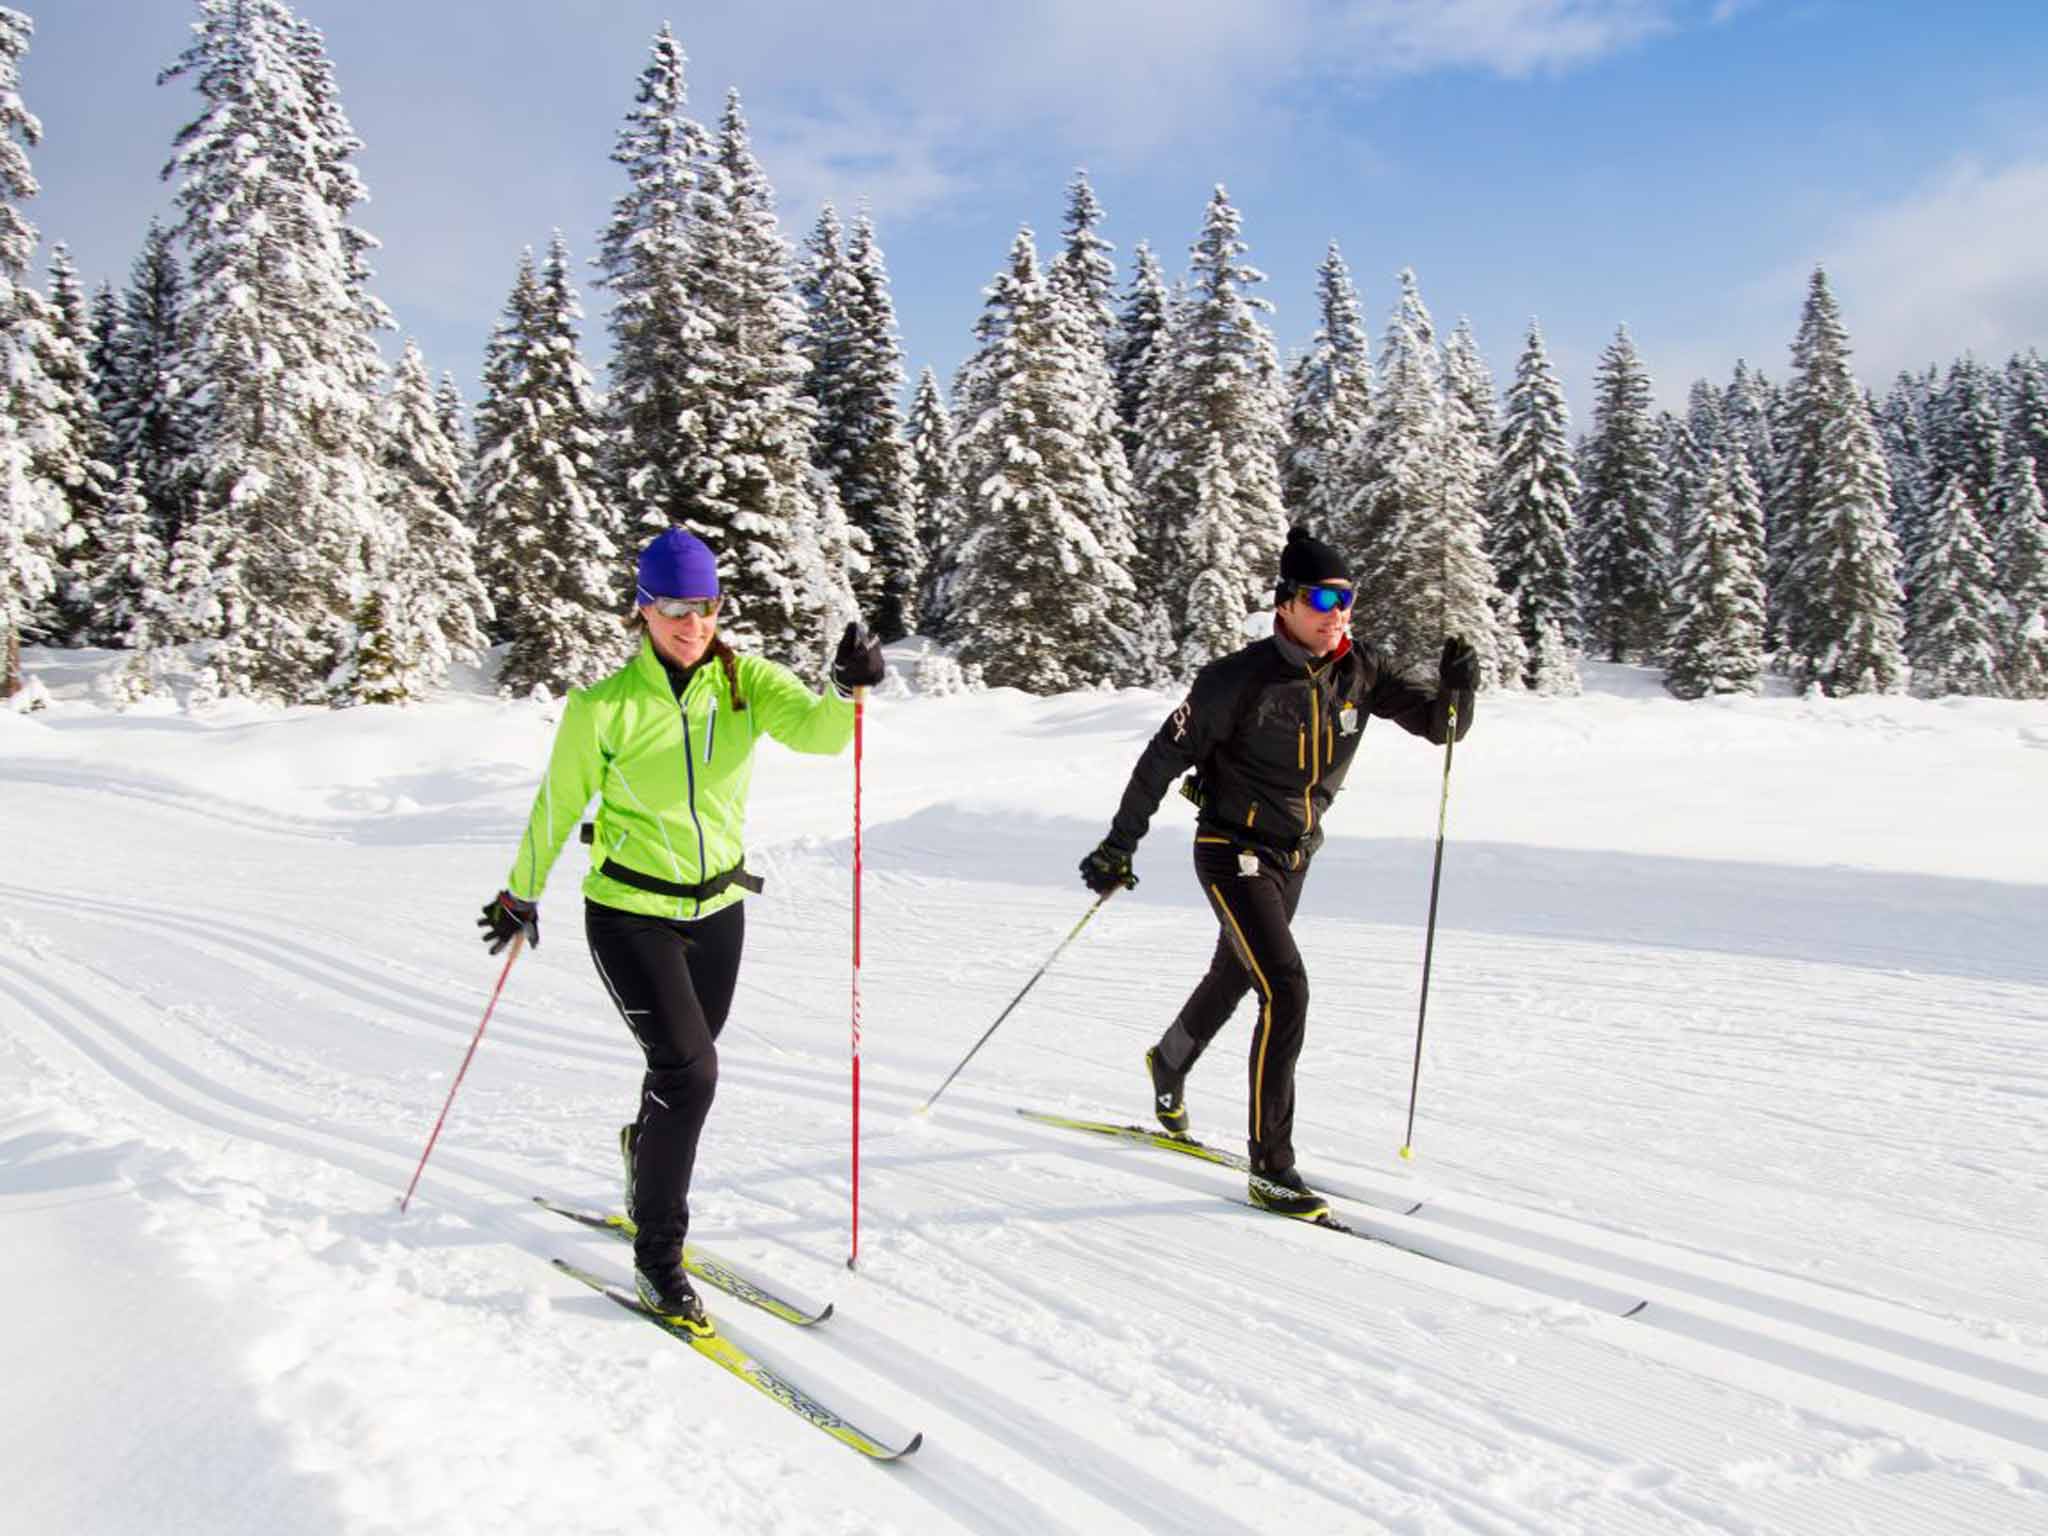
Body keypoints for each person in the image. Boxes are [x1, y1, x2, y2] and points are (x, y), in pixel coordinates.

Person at [479, 527, 884, 1325]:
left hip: (717, 911)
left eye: (703, 607)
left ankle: (643, 1154)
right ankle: (656, 1257)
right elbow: (558, 806)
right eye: (672, 607)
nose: (690, 624)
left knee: (680, 1073)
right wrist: (519, 893)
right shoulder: (605, 708)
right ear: (641, 609)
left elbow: (821, 735)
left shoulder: (745, 683)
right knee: (690, 1073)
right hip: (630, 913)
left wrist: (848, 688)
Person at [1078, 527, 1477, 1221]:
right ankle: (1272, 1166)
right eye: (1323, 598)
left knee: (1238, 974)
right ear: (1286, 604)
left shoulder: (1361, 670)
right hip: (1231, 849)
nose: (1337, 612)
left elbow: (1442, 727)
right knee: (1286, 990)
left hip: (1294, 855)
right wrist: (1119, 845)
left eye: (1347, 598)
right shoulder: (1235, 680)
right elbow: (1158, 762)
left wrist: (1459, 690)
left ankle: (1169, 1062)